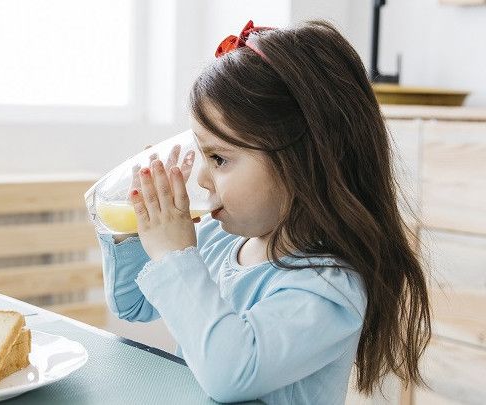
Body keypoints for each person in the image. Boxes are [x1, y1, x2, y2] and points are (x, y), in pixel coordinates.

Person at [96, 20, 431, 404]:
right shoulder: (216, 240)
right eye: (202, 154)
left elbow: (229, 374)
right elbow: (131, 304)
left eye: (219, 158)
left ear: (301, 164)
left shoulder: (327, 286)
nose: (202, 179)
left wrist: (174, 256)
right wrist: (132, 224)